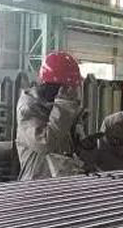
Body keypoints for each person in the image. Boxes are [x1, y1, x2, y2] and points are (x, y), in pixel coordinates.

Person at [15, 51, 85, 181]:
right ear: (55, 86)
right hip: (36, 184)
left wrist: (84, 145)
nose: (71, 92)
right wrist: (63, 106)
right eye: (68, 88)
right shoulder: (28, 108)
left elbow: (67, 148)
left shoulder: (59, 107)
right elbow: (45, 143)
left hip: (61, 181)